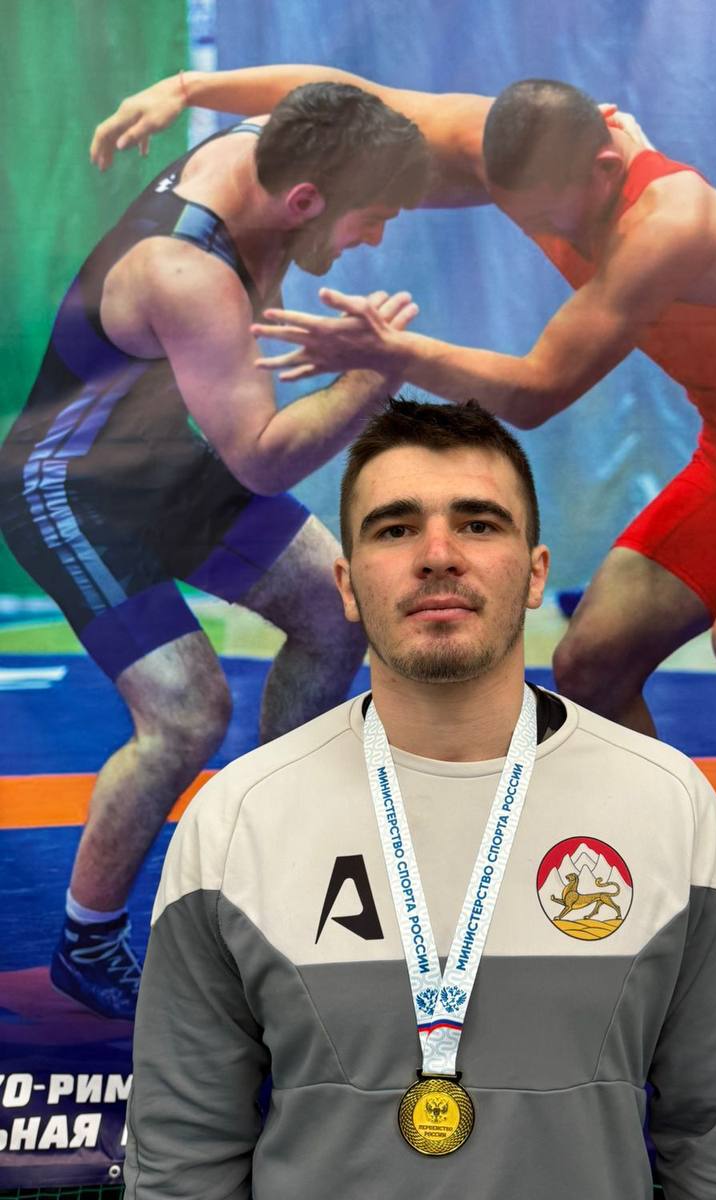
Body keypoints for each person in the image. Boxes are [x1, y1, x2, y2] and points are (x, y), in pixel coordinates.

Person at [91, 69, 716, 1008]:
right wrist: (192, 88)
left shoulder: (671, 220)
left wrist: (392, 353)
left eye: (551, 213)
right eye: (518, 208)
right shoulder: (522, 153)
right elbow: (347, 95)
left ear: (604, 166)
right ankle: (680, 896)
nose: (540, 230)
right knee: (591, 666)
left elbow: (536, 390)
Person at [123, 396, 716, 1200]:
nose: (438, 554)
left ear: (536, 573)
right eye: (395, 529)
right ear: (347, 584)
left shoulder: (667, 804)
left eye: (478, 523)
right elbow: (184, 1148)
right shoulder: (239, 817)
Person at [0, 81, 430, 1019]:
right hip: (70, 489)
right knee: (187, 715)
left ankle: (275, 866)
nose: (372, 241)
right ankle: (86, 943)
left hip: (166, 458)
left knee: (337, 607)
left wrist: (185, 88)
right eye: (370, 219)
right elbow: (263, 459)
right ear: (304, 199)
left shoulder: (274, 145)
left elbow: (359, 106)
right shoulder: (185, 274)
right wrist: (374, 373)